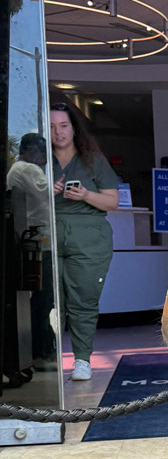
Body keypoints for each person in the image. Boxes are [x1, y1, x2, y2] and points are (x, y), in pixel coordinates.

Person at [50, 101, 119, 380]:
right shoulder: (37, 159)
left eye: (64, 125)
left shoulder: (93, 159)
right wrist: (46, 191)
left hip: (88, 240)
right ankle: (48, 361)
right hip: (48, 235)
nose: (59, 132)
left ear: (74, 128)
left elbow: (112, 202)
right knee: (49, 304)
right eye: (52, 127)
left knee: (83, 301)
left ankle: (81, 360)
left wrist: (86, 196)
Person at [6, 133, 57, 369]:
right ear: (27, 150)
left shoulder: (18, 169)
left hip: (32, 241)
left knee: (40, 299)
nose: (45, 158)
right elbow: (50, 193)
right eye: (41, 152)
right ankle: (40, 352)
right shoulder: (27, 169)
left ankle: (42, 350)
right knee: (43, 299)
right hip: (39, 243)